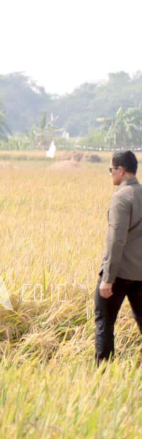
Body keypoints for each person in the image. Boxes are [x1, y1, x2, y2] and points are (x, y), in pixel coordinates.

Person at [95, 150, 142, 362]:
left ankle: (103, 375)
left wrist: (108, 279)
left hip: (120, 273)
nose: (110, 173)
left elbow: (116, 240)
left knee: (104, 324)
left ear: (120, 170)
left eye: (111, 169)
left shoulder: (121, 198)